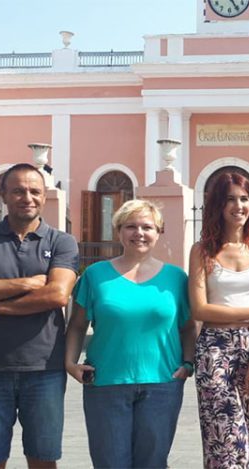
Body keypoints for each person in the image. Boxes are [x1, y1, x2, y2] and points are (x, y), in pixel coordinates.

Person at [0, 163, 78, 469]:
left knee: (43, 459)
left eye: (35, 191)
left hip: (45, 369)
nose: (27, 197)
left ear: (43, 197)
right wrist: (26, 284)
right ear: (3, 196)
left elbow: (57, 295)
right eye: (18, 190)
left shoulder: (61, 242)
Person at [64, 199, 197, 468]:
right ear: (119, 231)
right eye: (130, 226)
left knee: (153, 462)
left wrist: (188, 364)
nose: (139, 233)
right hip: (106, 382)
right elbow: (77, 325)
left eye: (147, 227)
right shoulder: (95, 275)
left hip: (162, 383)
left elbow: (188, 327)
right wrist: (70, 363)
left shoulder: (176, 278)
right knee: (110, 462)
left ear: (159, 232)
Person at [188, 171, 249, 469]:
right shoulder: (201, 251)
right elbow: (201, 309)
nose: (238, 206)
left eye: (245, 198)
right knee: (225, 443)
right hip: (215, 350)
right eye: (230, 199)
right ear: (217, 205)